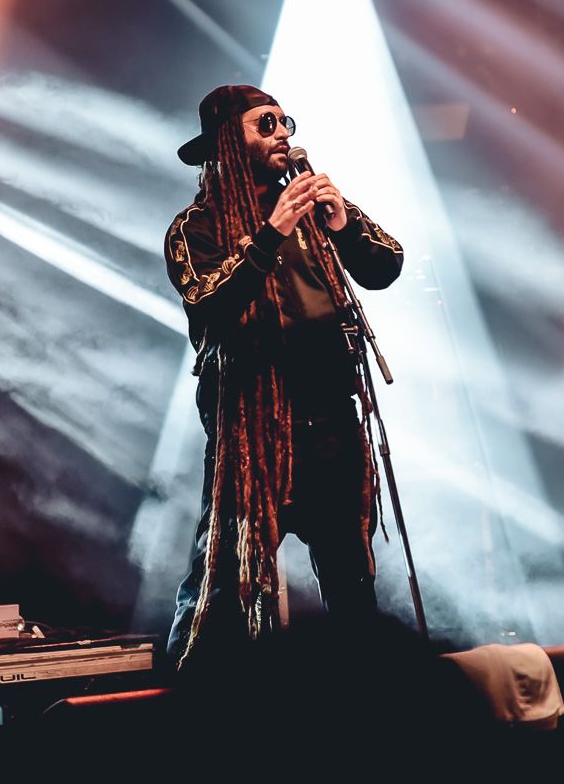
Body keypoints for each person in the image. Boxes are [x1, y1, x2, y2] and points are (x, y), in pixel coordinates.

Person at [163, 84, 404, 670]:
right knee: (230, 583)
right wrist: (269, 234)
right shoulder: (196, 227)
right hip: (256, 427)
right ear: (228, 143)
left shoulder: (311, 208)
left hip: (332, 420)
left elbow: (386, 265)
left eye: (284, 123)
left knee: (352, 578)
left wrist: (343, 222)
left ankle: (367, 706)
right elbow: (210, 304)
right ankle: (194, 699)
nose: (283, 136)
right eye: (265, 126)